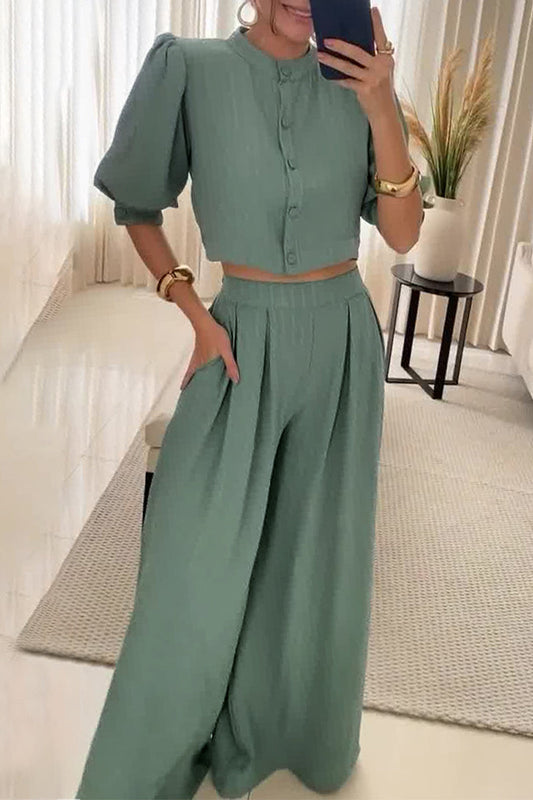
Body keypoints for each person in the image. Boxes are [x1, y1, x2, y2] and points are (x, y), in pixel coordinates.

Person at [76, 1, 423, 798]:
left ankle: (292, 734)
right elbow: (136, 205)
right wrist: (192, 310)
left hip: (340, 340)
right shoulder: (189, 68)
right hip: (237, 340)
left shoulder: (362, 82)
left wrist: (380, 106)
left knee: (314, 553)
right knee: (191, 567)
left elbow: (402, 234)